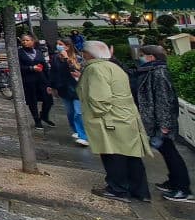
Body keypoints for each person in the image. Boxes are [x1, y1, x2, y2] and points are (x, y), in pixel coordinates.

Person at [78, 40, 151, 202]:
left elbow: (99, 99)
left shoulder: (95, 69)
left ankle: (117, 189)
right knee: (132, 156)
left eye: (84, 52)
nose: (82, 54)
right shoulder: (114, 67)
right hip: (126, 118)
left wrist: (98, 114)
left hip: (110, 120)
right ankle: (141, 191)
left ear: (90, 54)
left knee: (113, 155)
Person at [133, 45, 192, 203]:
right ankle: (174, 182)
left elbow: (163, 100)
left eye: (142, 55)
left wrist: (164, 125)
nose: (140, 57)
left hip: (161, 122)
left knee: (171, 154)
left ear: (151, 57)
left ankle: (183, 188)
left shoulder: (159, 73)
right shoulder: (151, 71)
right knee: (168, 153)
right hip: (155, 121)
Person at [49, 39, 87, 146]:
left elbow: (76, 71)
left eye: (60, 44)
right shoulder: (56, 58)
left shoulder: (77, 58)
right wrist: (51, 86)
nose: (58, 46)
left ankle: (83, 135)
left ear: (68, 46)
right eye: (57, 44)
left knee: (78, 113)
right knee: (70, 113)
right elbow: (53, 72)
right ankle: (77, 130)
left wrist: (67, 59)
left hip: (77, 89)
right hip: (64, 89)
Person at [19, 34, 54, 129]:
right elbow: (18, 67)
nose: (25, 42)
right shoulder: (19, 53)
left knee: (48, 100)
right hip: (28, 80)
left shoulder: (38, 52)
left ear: (33, 41)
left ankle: (44, 115)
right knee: (32, 101)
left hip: (41, 79)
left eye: (27, 40)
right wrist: (31, 68)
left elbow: (45, 67)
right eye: (23, 40)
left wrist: (49, 82)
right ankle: (36, 119)